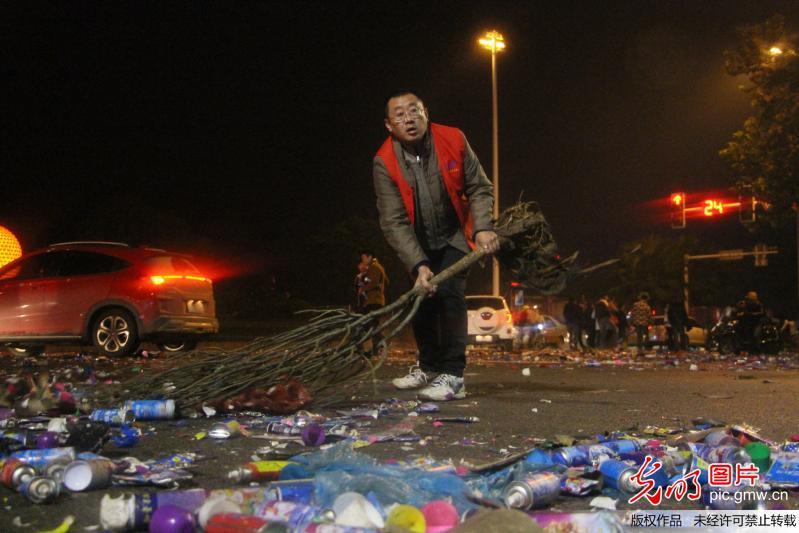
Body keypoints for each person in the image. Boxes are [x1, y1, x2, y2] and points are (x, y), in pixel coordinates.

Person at [373, 90, 498, 401]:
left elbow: (479, 186)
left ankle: (454, 374)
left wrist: (483, 228)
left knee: (450, 294)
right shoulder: (384, 161)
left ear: (425, 112)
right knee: (420, 298)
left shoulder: (453, 138)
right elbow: (393, 221)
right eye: (399, 115)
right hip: (416, 241)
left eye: (414, 111)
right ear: (389, 126)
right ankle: (428, 366)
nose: (409, 119)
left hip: (455, 233)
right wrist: (418, 264)